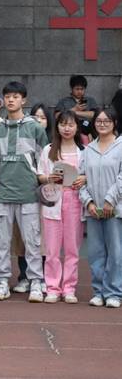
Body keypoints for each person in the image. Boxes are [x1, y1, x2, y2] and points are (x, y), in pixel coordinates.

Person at [0, 82, 49, 302]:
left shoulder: (35, 128)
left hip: (29, 194)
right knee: (1, 242)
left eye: (15, 97)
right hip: (2, 194)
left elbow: (45, 161)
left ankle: (36, 282)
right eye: (7, 97)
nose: (11, 100)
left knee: (32, 242)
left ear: (24, 100)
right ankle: (2, 281)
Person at [37, 110, 85, 304]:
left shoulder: (83, 152)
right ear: (57, 127)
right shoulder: (48, 150)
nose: (67, 128)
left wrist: (82, 179)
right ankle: (52, 288)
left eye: (71, 125)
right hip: (53, 199)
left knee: (72, 248)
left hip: (74, 200)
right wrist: (49, 178)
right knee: (52, 249)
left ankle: (69, 288)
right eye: (63, 124)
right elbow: (40, 174)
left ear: (77, 127)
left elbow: (87, 175)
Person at [80, 108, 122, 308]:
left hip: (115, 209)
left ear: (114, 123)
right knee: (95, 253)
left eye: (107, 121)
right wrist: (88, 202)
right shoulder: (88, 150)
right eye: (99, 121)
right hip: (93, 211)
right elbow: (80, 179)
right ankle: (99, 291)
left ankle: (114, 292)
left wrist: (109, 200)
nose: (102, 124)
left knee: (116, 253)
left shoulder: (120, 146)